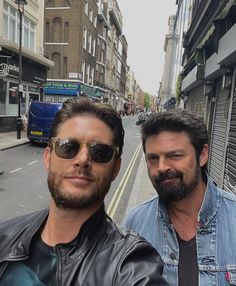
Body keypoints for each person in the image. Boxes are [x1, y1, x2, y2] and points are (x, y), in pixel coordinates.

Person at [0, 98, 168, 285]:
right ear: (48, 158)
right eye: (68, 147)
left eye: (100, 152)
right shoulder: (5, 237)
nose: (82, 159)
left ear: (115, 168)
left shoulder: (130, 264)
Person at [124, 110, 236, 286]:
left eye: (174, 156)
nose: (161, 167)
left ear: (202, 155)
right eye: (153, 158)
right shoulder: (135, 223)